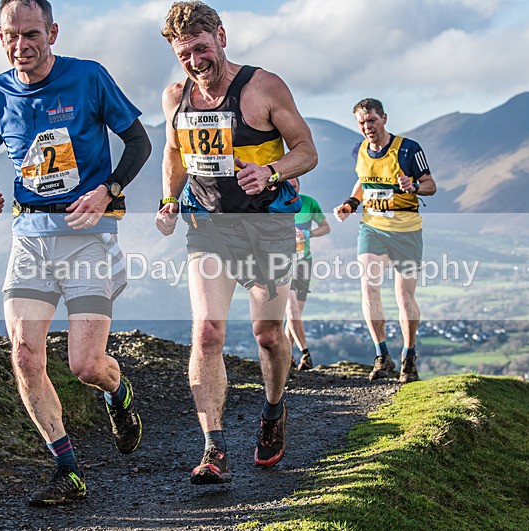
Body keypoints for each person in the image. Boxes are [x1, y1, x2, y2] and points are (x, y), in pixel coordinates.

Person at [0, 0, 151, 506]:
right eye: (10, 35)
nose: (20, 45)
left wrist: (108, 190)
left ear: (52, 32)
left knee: (86, 365)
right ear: (1, 37)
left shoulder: (88, 77)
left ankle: (119, 393)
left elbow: (138, 142)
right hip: (29, 234)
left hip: (88, 232)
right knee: (25, 356)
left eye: (31, 34)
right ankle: (66, 468)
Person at [155, 1, 317, 485]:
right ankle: (214, 447)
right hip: (209, 227)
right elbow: (174, 151)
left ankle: (273, 410)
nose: (195, 61)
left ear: (221, 37)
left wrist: (270, 171)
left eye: (202, 49)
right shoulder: (175, 97)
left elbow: (306, 150)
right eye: (184, 54)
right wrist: (168, 200)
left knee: (268, 334)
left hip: (266, 225)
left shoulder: (263, 87)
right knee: (207, 333)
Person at [333, 98, 436, 383]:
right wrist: (350, 204)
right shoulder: (359, 151)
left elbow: (431, 185)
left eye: (372, 121)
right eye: (362, 122)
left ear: (384, 119)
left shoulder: (408, 149)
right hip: (373, 227)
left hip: (406, 228)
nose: (367, 127)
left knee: (404, 297)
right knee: (369, 287)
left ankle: (409, 356)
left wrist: (413, 185)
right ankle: (381, 356)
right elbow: (363, 183)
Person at [284, 178, 330, 370]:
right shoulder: (274, 203)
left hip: (304, 262)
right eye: (289, 187)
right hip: (281, 264)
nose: (293, 190)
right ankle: (305, 353)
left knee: (295, 317)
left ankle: (285, 358)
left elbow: (326, 227)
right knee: (292, 310)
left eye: (296, 186)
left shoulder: (309, 203)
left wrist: (307, 235)